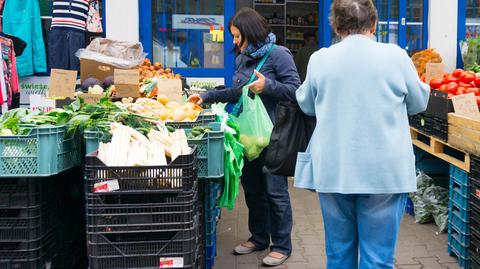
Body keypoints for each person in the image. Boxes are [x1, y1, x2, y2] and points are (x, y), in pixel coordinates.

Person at [294, 1, 430, 269]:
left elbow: (307, 105)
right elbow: (419, 103)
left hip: (335, 169)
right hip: (384, 171)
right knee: (378, 260)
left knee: (339, 255)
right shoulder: (395, 56)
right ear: (374, 23)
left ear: (336, 25)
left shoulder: (320, 59)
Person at [188, 7, 300, 266]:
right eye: (233, 37)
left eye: (238, 37)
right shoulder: (242, 59)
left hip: (274, 135)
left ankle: (282, 245)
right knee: (252, 189)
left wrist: (268, 86)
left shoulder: (279, 55)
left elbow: (296, 91)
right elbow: (237, 93)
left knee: (276, 192)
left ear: (251, 31)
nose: (235, 42)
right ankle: (259, 237)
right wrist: (207, 96)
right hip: (248, 136)